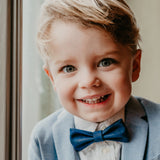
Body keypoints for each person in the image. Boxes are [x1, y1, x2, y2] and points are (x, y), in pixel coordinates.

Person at [28, 0, 160, 160]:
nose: (88, 81)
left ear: (134, 66)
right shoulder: (43, 138)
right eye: (69, 68)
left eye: (105, 62)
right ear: (52, 78)